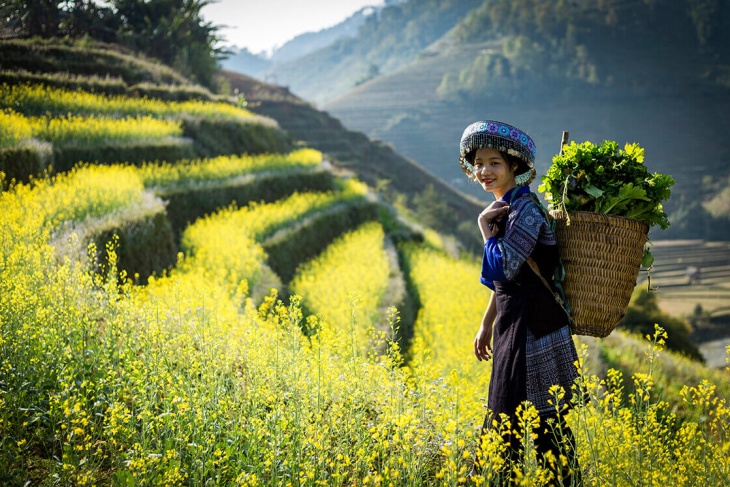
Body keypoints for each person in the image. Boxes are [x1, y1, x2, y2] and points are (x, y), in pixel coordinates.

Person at [459, 121, 581, 485]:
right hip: (513, 325)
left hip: (538, 328)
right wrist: (486, 324)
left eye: (494, 163)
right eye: (478, 162)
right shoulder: (503, 209)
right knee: (504, 416)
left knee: (546, 425)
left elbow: (507, 266)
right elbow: (500, 284)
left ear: (514, 167)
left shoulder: (524, 210)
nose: (484, 171)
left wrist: (484, 229)